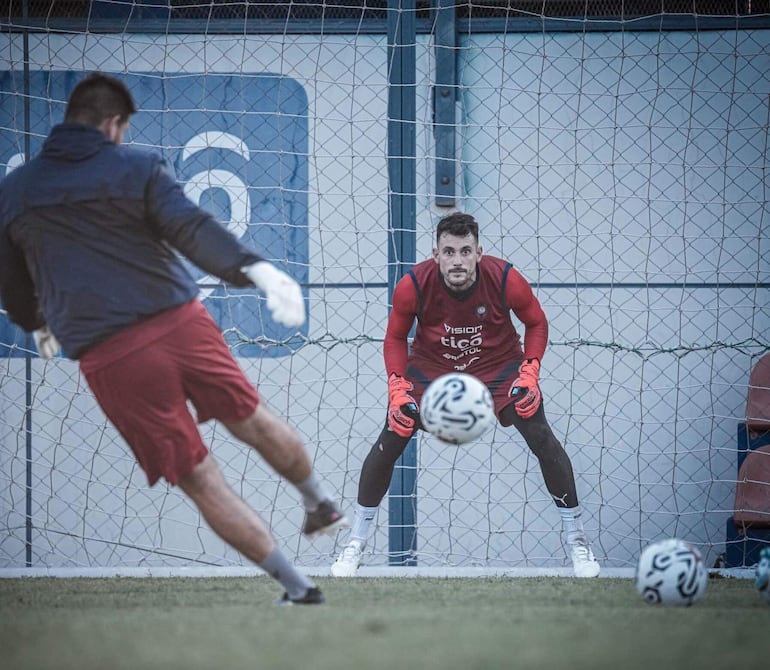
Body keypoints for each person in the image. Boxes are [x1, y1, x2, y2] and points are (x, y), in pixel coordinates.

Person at [0, 72, 348, 605]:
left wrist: (37, 325)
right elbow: (190, 227)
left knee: (200, 477)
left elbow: (15, 290)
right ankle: (319, 500)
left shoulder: (15, 191)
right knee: (250, 419)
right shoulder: (136, 165)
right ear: (114, 125)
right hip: (181, 324)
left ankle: (299, 588)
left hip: (111, 355)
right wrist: (254, 268)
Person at [331, 211, 600, 578]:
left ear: (478, 252)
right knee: (393, 432)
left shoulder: (506, 279)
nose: (457, 260)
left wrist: (531, 370)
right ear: (435, 254)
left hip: (500, 366)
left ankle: (578, 542)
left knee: (540, 434)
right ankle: (355, 544)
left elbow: (536, 322)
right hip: (431, 370)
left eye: (465, 251)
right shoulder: (413, 285)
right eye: (449, 252)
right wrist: (396, 385)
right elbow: (395, 337)